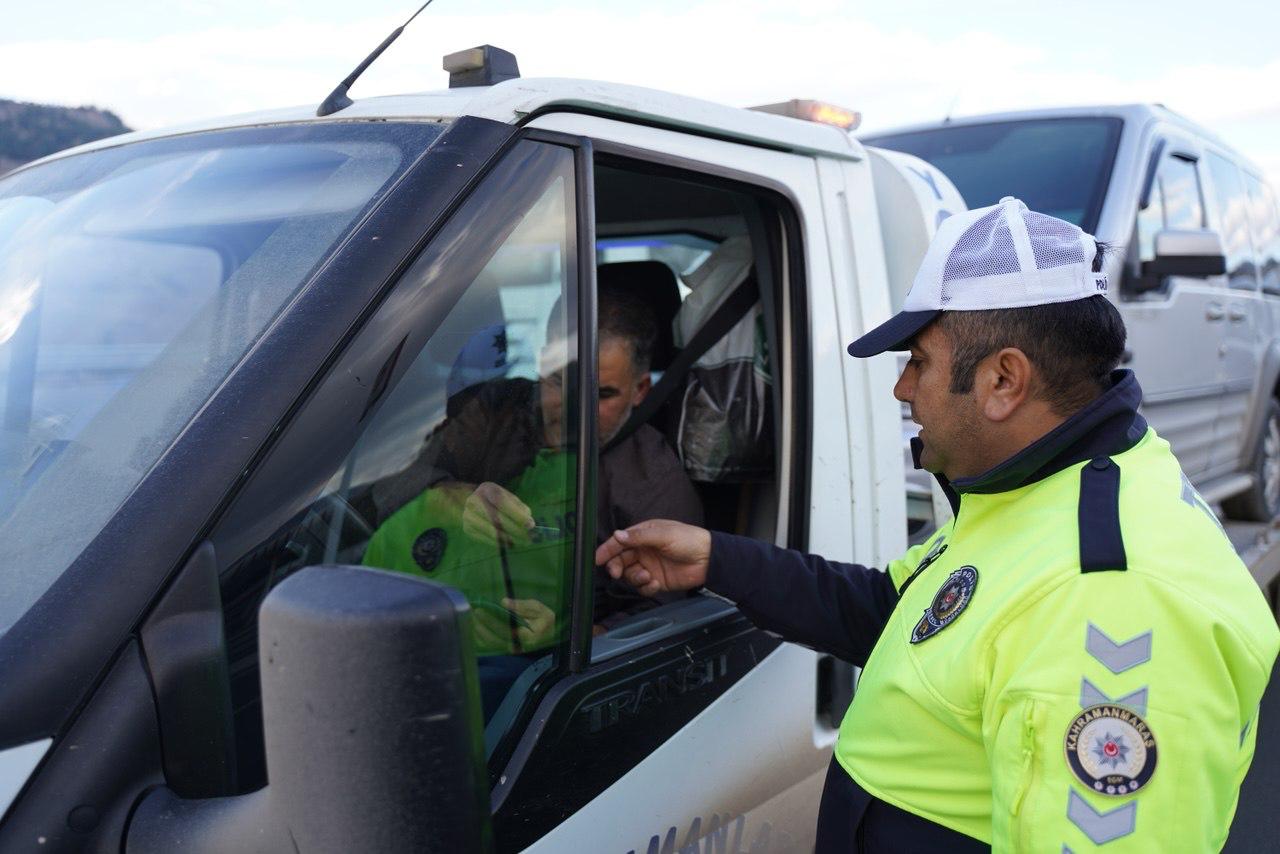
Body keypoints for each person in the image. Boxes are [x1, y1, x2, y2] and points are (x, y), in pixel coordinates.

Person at [596, 197, 1280, 852]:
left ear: (1003, 381)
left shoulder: (1108, 597)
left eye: (919, 361)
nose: (901, 388)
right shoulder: (1038, 491)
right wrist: (716, 559)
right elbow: (899, 613)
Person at [363, 279, 703, 713]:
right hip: (408, 624)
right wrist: (452, 495)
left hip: (536, 674)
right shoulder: (494, 409)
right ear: (541, 363)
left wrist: (572, 639)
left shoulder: (654, 483)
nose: (575, 408)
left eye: (602, 394)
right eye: (559, 382)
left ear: (640, 391)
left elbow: (665, 616)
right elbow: (387, 484)